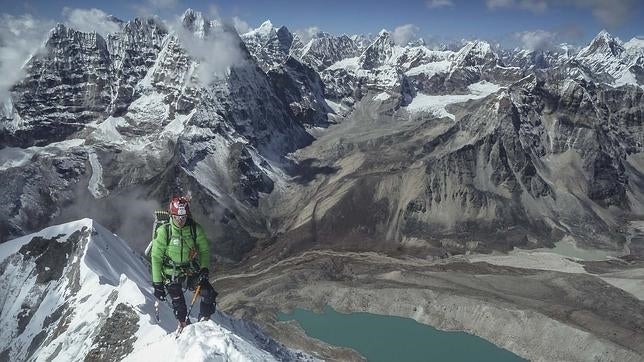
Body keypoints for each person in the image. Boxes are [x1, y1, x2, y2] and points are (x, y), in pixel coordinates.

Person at [151, 196, 217, 327]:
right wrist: (158, 284)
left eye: (183, 217)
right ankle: (184, 327)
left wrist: (204, 269)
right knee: (180, 307)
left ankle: (204, 323)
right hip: (170, 273)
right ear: (172, 215)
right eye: (177, 217)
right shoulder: (165, 231)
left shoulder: (195, 229)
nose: (181, 220)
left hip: (189, 269)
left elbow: (204, 250)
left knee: (208, 293)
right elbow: (156, 257)